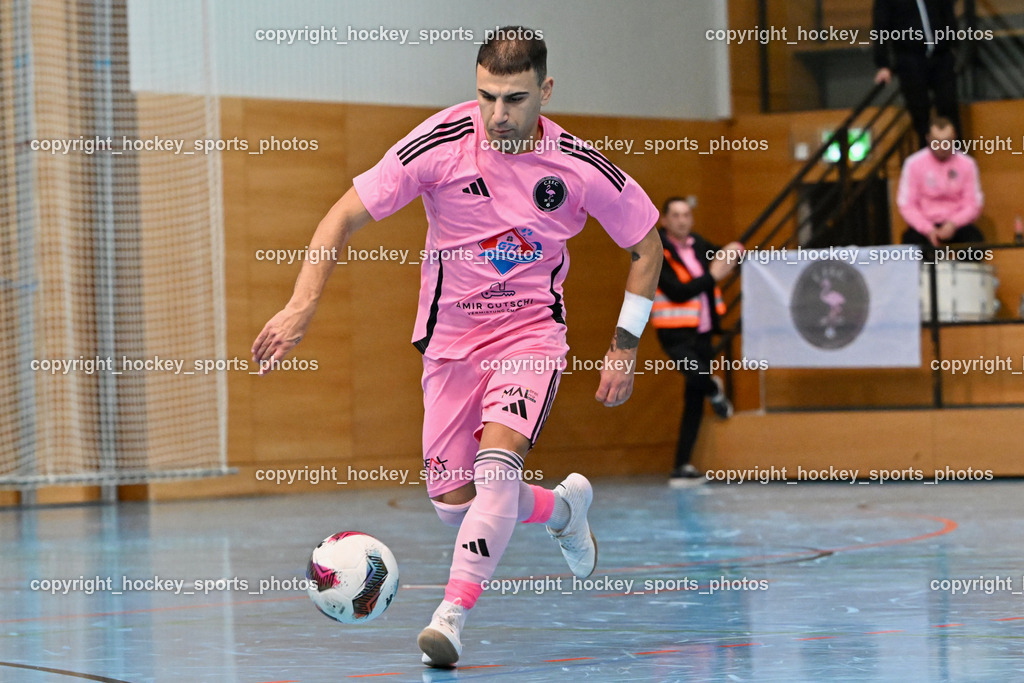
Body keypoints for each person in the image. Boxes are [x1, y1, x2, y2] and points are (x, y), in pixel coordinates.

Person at [251, 27, 662, 668]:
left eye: (516, 99)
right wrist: (302, 303)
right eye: (487, 97)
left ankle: (451, 615)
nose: (499, 115)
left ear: (545, 91)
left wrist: (624, 347)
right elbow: (342, 216)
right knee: (455, 506)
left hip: (530, 335)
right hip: (450, 347)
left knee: (497, 469)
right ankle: (562, 508)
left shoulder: (577, 167)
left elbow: (647, 248)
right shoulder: (442, 143)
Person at [652, 198, 742, 487]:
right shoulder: (658, 250)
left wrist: (735, 250)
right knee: (699, 376)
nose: (682, 220)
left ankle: (682, 466)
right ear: (664, 220)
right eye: (675, 215)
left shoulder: (698, 245)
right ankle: (714, 388)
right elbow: (677, 291)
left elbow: (727, 256)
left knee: (693, 399)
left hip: (703, 330)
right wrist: (712, 276)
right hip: (674, 332)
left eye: (686, 214)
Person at [873, 0, 961, 148]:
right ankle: (926, 159)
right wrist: (883, 64)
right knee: (920, 113)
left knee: (949, 106)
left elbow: (947, 12)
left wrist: (954, 44)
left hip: (941, 56)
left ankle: (956, 159)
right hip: (910, 58)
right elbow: (880, 27)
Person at [897, 116, 983, 249]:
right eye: (937, 142)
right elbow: (907, 205)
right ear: (928, 139)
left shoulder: (968, 164)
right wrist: (928, 228)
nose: (942, 147)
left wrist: (953, 224)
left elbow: (973, 204)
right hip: (925, 224)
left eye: (947, 142)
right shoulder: (913, 164)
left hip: (956, 224)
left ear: (954, 137)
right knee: (909, 244)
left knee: (975, 242)